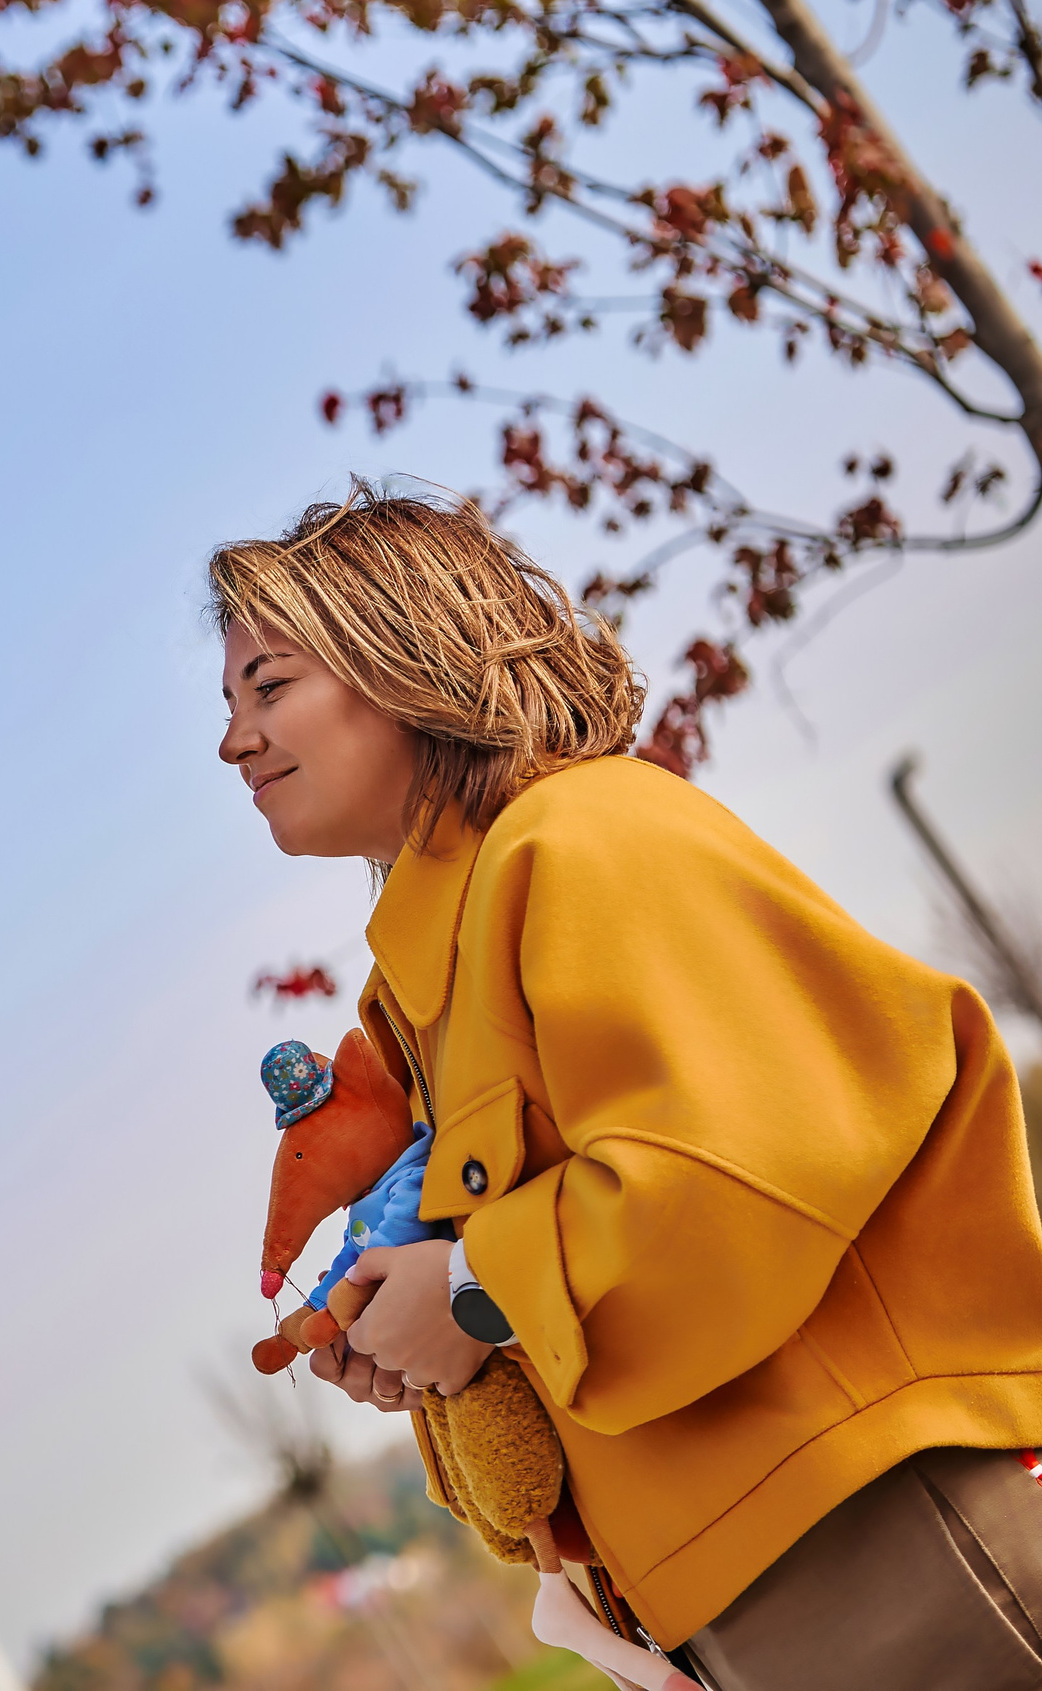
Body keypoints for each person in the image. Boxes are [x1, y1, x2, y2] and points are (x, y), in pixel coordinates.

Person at [210, 484, 1042, 1688]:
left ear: (395, 654)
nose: (233, 740)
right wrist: (415, 1329)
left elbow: (752, 1158)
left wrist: (475, 1288)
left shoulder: (583, 840)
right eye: (229, 704)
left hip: (889, 1537)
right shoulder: (422, 991)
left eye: (268, 686)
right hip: (746, 1602)